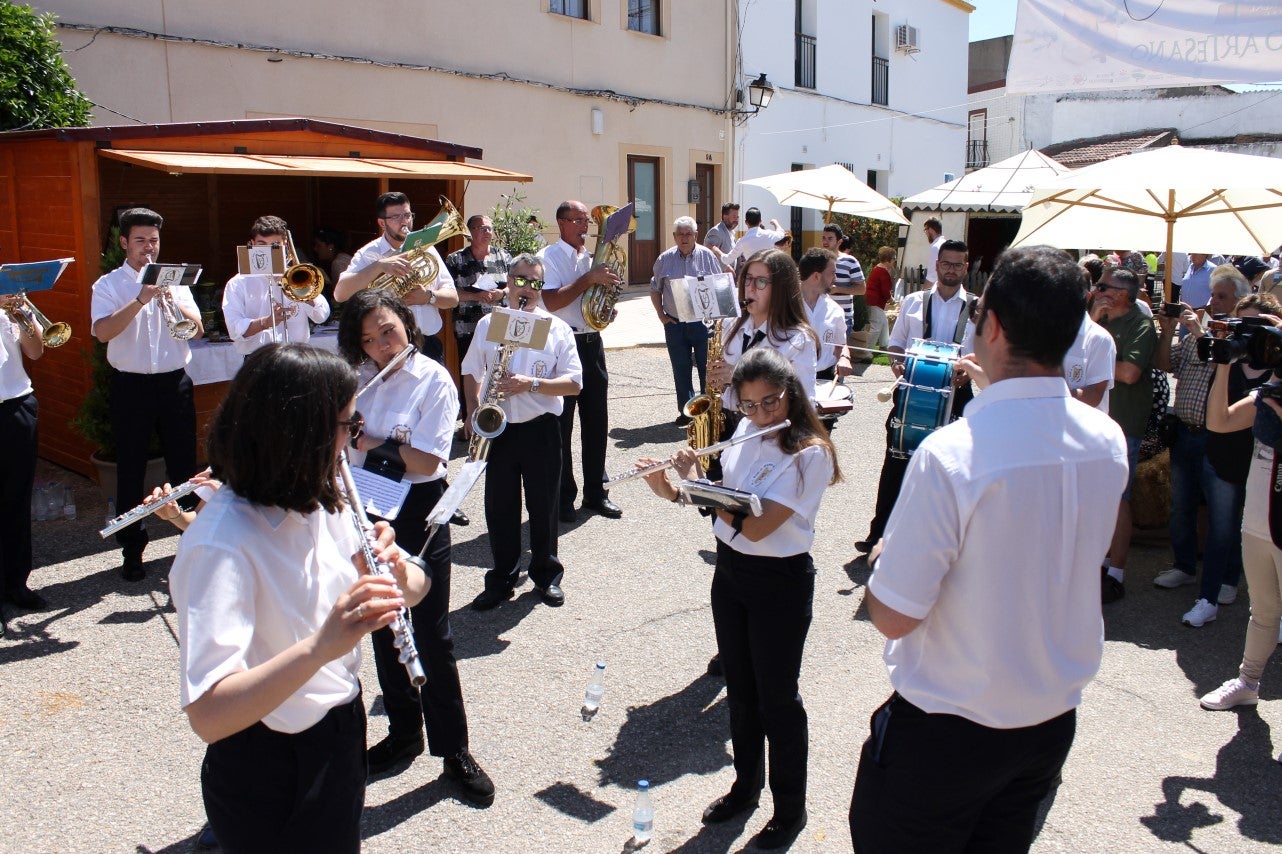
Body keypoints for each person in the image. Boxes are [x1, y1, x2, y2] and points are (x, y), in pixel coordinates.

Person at [850, 246, 1129, 853]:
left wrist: (882, 559)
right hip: (1047, 723)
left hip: (948, 732)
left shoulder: (953, 454)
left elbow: (893, 614)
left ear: (993, 325)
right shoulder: (1107, 439)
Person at [169, 343, 428, 852]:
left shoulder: (322, 496)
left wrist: (398, 570)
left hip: (339, 726)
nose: (354, 442)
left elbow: (417, 589)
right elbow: (209, 715)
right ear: (300, 435)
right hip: (267, 762)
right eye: (348, 426)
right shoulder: (219, 545)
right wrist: (320, 647)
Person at [639, 347, 840, 851]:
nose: (761, 414)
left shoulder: (810, 452)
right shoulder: (747, 430)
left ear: (790, 393)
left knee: (778, 700)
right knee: (741, 692)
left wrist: (696, 484)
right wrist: (671, 488)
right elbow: (722, 501)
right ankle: (745, 787)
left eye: (771, 402)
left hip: (779, 581)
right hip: (730, 574)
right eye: (749, 404)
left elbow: (757, 526)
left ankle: (789, 809)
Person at [336, 290, 494, 805]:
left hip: (418, 509)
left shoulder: (434, 378)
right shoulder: (358, 379)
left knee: (430, 632)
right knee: (383, 623)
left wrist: (366, 441)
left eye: (388, 331)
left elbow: (427, 462)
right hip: (368, 504)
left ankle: (454, 750)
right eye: (369, 340)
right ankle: (404, 732)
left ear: (406, 322)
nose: (382, 346)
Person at [463, 254, 583, 610]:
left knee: (543, 506)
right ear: (508, 281)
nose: (526, 288)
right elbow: (471, 369)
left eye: (534, 283)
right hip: (498, 428)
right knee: (500, 507)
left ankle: (546, 575)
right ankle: (502, 579)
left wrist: (529, 384)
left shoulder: (556, 328)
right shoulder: (489, 324)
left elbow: (574, 383)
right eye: (520, 280)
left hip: (540, 428)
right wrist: (472, 411)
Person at [91, 207, 203, 581]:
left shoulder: (176, 280)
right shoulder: (108, 285)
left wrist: (172, 300)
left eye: (153, 240)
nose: (148, 248)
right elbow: (102, 332)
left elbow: (197, 331)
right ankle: (132, 549)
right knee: (131, 469)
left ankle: (191, 544)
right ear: (124, 242)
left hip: (174, 382)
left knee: (184, 466)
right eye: (140, 240)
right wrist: (140, 299)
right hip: (131, 386)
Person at [856, 239, 976, 554]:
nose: (951, 270)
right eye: (946, 263)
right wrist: (897, 363)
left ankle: (938, 542)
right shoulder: (913, 301)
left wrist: (969, 371)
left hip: (957, 394)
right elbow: (896, 343)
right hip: (911, 391)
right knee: (896, 460)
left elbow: (984, 354)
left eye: (958, 265)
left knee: (950, 469)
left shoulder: (977, 309)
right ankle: (879, 534)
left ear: (965, 267)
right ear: (936, 265)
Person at [1152, 267, 1255, 626]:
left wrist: (1199, 333)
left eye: (1222, 296)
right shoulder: (1199, 334)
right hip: (1185, 432)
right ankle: (1184, 565)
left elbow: (1223, 367)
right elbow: (1165, 364)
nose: (1214, 302)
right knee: (1181, 505)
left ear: (1239, 301)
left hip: (1220, 439)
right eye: (1213, 296)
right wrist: (1168, 331)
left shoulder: (1240, 343)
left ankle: (1227, 578)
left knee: (1223, 515)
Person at [1200, 310, 1282, 712]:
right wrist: (1223, 364)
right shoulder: (1267, 392)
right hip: (1260, 515)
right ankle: (1248, 682)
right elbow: (1219, 422)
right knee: (1263, 609)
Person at [538, 200, 622, 522]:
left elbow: (593, 299)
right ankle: (563, 497)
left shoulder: (591, 259)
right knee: (561, 426)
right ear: (561, 222)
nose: (585, 227)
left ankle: (596, 493)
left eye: (587, 221)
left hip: (592, 343)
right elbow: (552, 301)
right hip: (562, 347)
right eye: (578, 220)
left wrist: (606, 308)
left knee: (596, 422)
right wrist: (589, 279)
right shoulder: (549, 257)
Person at [1090, 266, 1157, 602]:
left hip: (1123, 423)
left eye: (1103, 286)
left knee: (1119, 497)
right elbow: (1072, 354)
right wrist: (1092, 320)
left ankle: (1116, 572)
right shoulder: (1095, 320)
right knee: (1095, 495)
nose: (1097, 289)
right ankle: (1099, 561)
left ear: (1122, 295)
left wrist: (1095, 361)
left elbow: (1130, 373)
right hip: (1092, 420)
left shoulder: (1141, 325)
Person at [335, 192, 459, 364]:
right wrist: (379, 266)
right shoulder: (368, 253)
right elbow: (340, 294)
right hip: (386, 347)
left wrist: (428, 297)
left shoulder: (427, 249)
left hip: (427, 346)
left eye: (407, 215)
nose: (404, 222)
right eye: (396, 217)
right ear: (382, 223)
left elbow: (453, 299)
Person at [0, 294, 46, 633]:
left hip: (16, 405)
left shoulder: (11, 298)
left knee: (16, 499)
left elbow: (35, 351)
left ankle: (16, 583)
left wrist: (21, 316)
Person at [650, 216, 723, 425]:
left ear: (696, 235)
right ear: (674, 236)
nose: (684, 238)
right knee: (680, 369)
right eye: (680, 234)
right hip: (675, 324)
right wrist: (661, 315)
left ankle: (708, 411)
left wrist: (718, 321)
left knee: (707, 369)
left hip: (703, 323)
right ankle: (687, 412)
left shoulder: (708, 256)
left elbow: (719, 287)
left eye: (688, 234)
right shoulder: (664, 259)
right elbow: (655, 289)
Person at [222, 216, 331, 356]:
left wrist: (297, 287)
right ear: (252, 244)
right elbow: (234, 330)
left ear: (285, 244)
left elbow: (321, 315)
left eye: (275, 245)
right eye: (262, 244)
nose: (268, 251)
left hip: (297, 357)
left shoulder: (298, 277)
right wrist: (266, 322)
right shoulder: (238, 283)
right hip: (258, 358)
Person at [445, 213, 512, 417]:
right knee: (471, 372)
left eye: (490, 228)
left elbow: (514, 286)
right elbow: (448, 292)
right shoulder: (455, 259)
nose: (487, 232)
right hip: (468, 326)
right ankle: (470, 420)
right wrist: (476, 296)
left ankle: (496, 418)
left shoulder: (504, 256)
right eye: (482, 228)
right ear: (471, 232)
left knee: (498, 371)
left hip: (499, 325)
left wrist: (502, 293)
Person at [797, 248, 850, 382]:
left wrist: (844, 358)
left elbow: (841, 344)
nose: (835, 278)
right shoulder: (784, 305)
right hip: (791, 379)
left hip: (825, 377)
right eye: (832, 273)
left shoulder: (835, 310)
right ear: (816, 276)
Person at [821, 225, 865, 337]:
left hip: (843, 318)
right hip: (821, 317)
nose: (825, 242)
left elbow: (862, 289)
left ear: (839, 242)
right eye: (824, 238)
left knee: (839, 348)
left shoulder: (850, 261)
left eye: (830, 238)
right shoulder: (817, 260)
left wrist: (837, 289)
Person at [721, 208, 786, 272]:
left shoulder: (742, 241)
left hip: (753, 274)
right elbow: (781, 233)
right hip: (769, 273)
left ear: (746, 222)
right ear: (760, 221)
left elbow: (727, 260)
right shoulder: (769, 234)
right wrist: (775, 223)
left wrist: (717, 250)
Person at [865, 246, 895, 351]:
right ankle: (868, 350)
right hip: (876, 301)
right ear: (888, 259)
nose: (894, 261)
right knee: (876, 327)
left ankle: (884, 345)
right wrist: (891, 300)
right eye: (893, 259)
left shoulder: (877, 269)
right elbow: (885, 290)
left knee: (884, 322)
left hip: (872, 300)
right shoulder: (883, 272)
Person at [922, 217, 946, 286]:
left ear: (931, 230)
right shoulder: (945, 244)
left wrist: (924, 292)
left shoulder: (936, 247)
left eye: (925, 229)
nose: (925, 233)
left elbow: (931, 277)